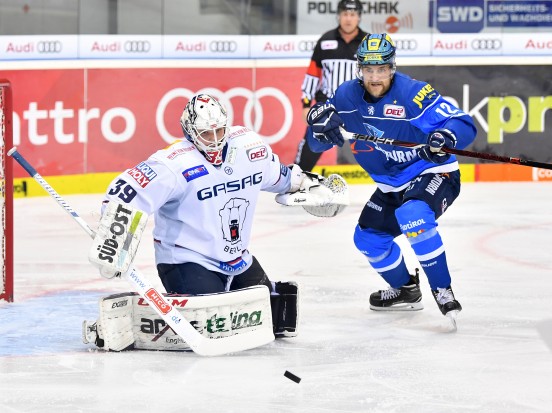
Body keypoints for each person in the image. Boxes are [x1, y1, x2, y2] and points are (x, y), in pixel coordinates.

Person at [83, 93, 345, 351]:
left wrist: (308, 185)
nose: (215, 140)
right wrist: (113, 241)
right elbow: (124, 193)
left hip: (238, 259)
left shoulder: (249, 149)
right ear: (189, 132)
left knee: (274, 317)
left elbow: (281, 177)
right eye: (206, 134)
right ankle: (122, 323)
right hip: (186, 260)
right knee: (214, 325)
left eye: (220, 131)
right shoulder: (173, 164)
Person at [305, 33, 477, 325]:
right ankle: (405, 290)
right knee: (368, 239)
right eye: (369, 70)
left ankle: (442, 288)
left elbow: (464, 123)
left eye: (381, 69)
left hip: (432, 172)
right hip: (390, 185)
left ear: (392, 67)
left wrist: (445, 136)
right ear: (360, 69)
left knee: (414, 215)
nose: (375, 77)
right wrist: (319, 128)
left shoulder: (413, 93)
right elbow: (315, 145)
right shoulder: (346, 96)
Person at [296, 0, 367, 171]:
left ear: (359, 17)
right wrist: (306, 104)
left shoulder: (367, 42)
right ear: (338, 16)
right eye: (345, 14)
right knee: (310, 147)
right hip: (328, 105)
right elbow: (313, 74)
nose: (348, 19)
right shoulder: (325, 41)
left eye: (352, 14)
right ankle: (296, 181)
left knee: (378, 149)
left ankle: (394, 189)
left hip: (358, 107)